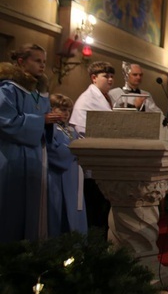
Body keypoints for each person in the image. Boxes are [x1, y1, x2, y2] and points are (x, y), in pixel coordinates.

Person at [0, 44, 63, 242]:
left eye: (44, 61)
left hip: (36, 156)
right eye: (37, 61)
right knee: (11, 209)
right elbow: (6, 121)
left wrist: (51, 119)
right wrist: (41, 120)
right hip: (12, 157)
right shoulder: (8, 89)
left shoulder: (37, 92)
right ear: (21, 62)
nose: (42, 66)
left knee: (33, 211)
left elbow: (42, 115)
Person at [70, 61, 116, 232]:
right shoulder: (88, 99)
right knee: (94, 208)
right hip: (92, 161)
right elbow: (82, 128)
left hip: (104, 160)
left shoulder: (106, 96)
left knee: (102, 208)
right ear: (94, 78)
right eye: (106, 76)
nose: (110, 80)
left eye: (112, 76)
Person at [47, 93, 87, 236]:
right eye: (62, 109)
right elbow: (54, 153)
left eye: (68, 110)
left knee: (76, 212)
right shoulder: (51, 130)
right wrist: (76, 152)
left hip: (74, 177)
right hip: (59, 177)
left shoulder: (71, 130)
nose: (66, 113)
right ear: (51, 110)